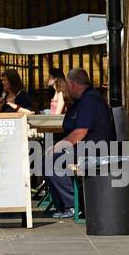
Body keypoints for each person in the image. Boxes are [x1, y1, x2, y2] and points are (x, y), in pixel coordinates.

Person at [45, 68, 117, 219]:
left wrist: (59, 146)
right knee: (47, 160)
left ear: (71, 84)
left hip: (95, 149)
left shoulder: (90, 100)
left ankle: (72, 205)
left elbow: (80, 132)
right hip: (86, 147)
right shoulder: (83, 100)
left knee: (52, 161)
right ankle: (63, 205)